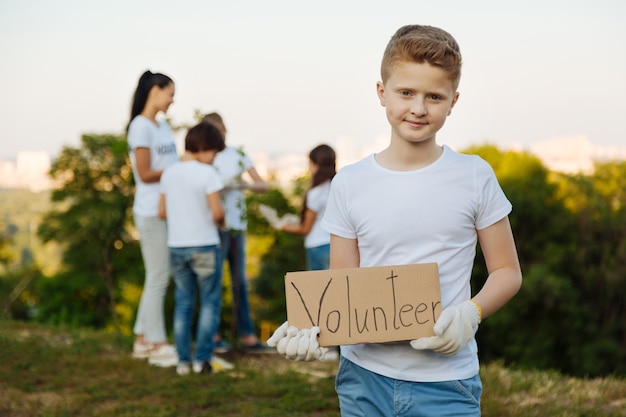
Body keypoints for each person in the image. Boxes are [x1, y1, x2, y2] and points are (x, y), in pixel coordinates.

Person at [267, 24, 523, 416]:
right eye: (406, 92)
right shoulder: (349, 183)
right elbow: (343, 287)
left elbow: (506, 271)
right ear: (381, 92)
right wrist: (311, 331)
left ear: (453, 101)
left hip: (446, 381)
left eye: (434, 97)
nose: (419, 108)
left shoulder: (475, 175)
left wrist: (471, 313)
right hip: (362, 378)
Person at [158, 121, 226, 375]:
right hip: (205, 245)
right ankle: (203, 360)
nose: (214, 157)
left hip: (177, 246)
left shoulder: (169, 173)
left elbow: (161, 212)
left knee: (183, 303)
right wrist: (221, 221)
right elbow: (217, 212)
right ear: (205, 148)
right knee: (209, 303)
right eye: (214, 152)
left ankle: (183, 361)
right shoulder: (207, 174)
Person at [203, 112, 270, 351]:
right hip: (214, 225)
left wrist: (241, 184)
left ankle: (247, 335)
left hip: (237, 226)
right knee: (214, 281)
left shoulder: (237, 154)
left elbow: (263, 184)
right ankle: (212, 336)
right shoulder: (205, 157)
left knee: (240, 281)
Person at [127, 70, 179, 367]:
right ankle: (157, 343)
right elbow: (145, 174)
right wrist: (179, 170)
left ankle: (142, 340)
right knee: (159, 277)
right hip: (149, 212)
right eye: (170, 93)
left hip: (165, 210)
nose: (173, 100)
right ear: (156, 91)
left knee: (156, 276)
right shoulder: (140, 127)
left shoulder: (163, 126)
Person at [279, 144, 336, 271]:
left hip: (317, 246)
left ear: (315, 164)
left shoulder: (316, 193)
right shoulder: (338, 187)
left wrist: (282, 226)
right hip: (337, 245)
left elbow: (305, 229)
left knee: (319, 289)